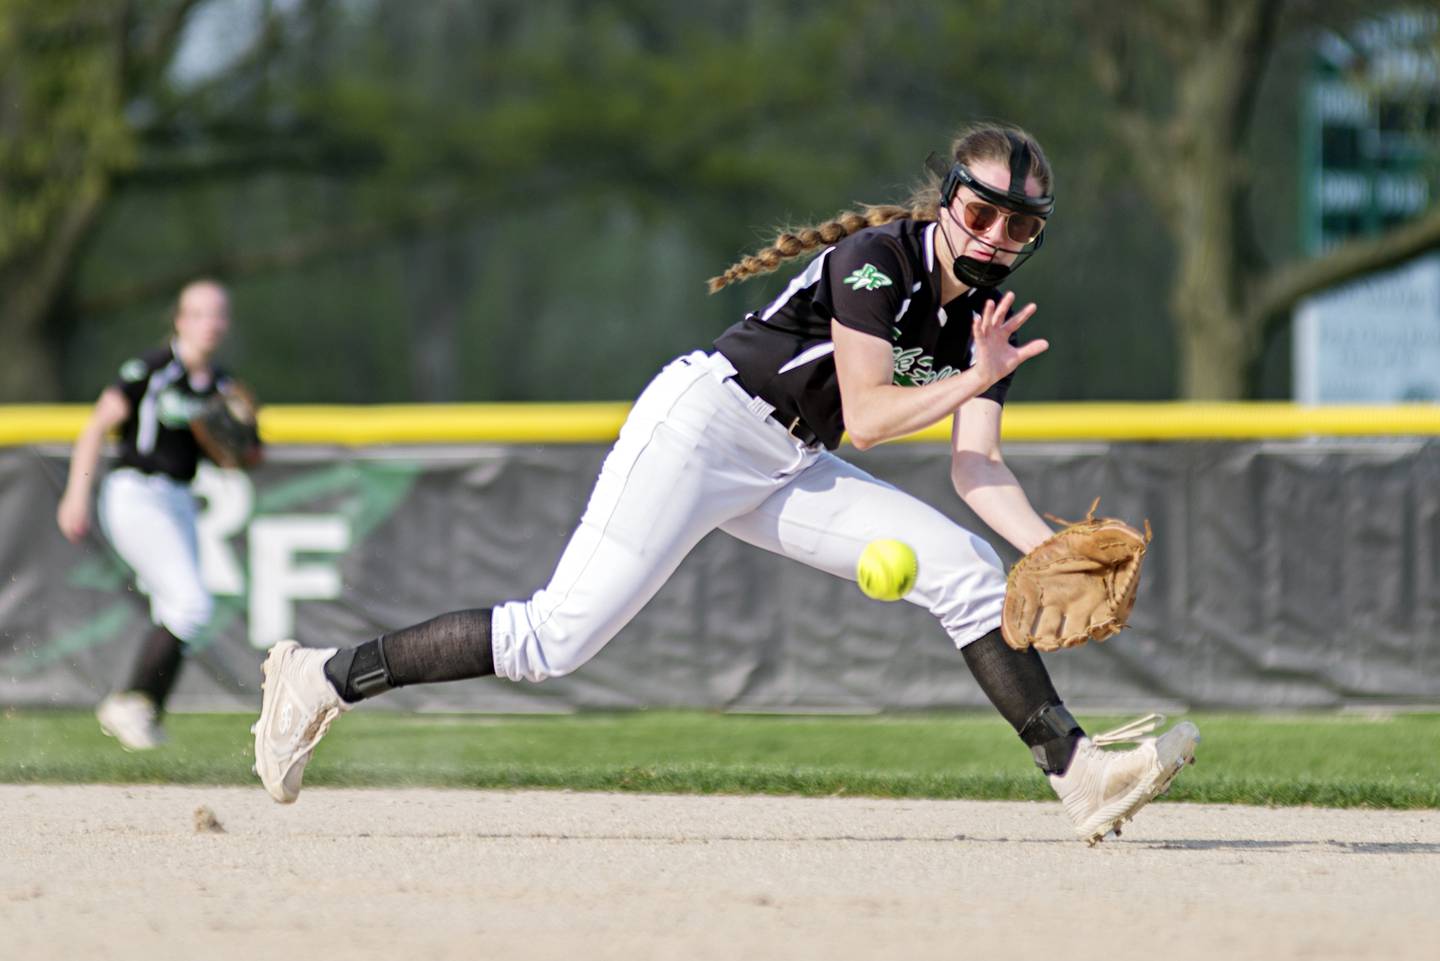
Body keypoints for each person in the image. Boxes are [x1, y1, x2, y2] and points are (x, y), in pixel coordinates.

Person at [252, 122, 1199, 843]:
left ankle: (1078, 774)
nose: (993, 234)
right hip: (706, 426)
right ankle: (319, 677)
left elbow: (974, 464)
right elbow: (870, 417)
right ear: (946, 200)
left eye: (1018, 224)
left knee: (962, 568)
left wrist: (1043, 545)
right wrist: (976, 377)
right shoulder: (880, 262)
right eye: (980, 211)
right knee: (553, 639)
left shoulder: (987, 323)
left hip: (788, 460)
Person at [58, 279, 254, 750]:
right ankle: (133, 703)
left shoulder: (223, 385)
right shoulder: (151, 370)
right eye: (200, 314)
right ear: (180, 320)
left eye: (219, 314)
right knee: (193, 605)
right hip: (137, 492)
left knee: (179, 610)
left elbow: (248, 455)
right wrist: (75, 495)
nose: (211, 324)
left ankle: (141, 709)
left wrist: (243, 441)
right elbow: (97, 426)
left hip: (181, 500)